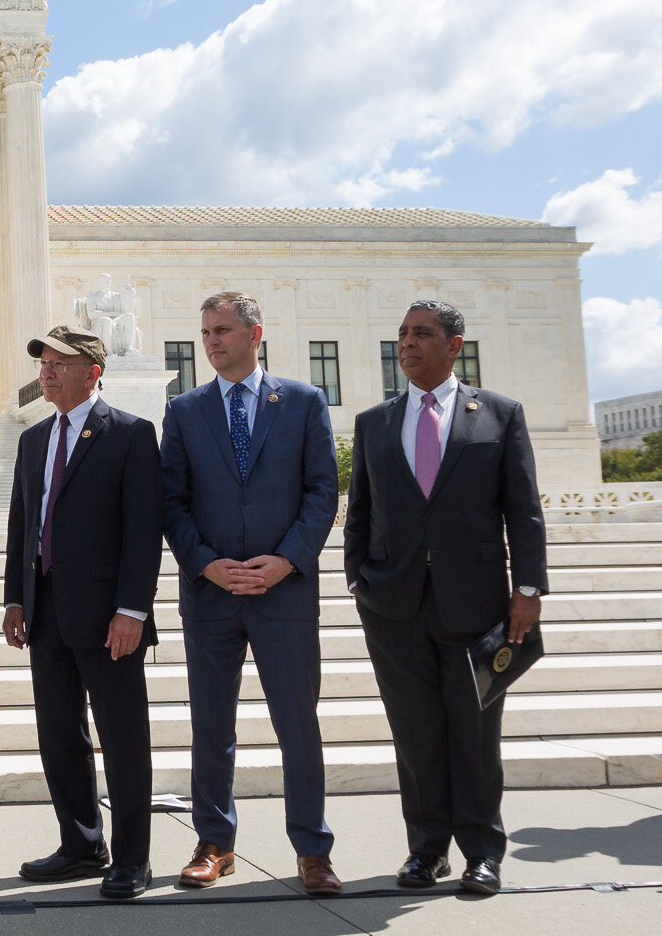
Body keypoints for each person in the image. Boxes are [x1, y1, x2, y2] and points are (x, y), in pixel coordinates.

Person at [345, 300, 545, 897]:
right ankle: (425, 849)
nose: (407, 343)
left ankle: (482, 851)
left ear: (455, 345)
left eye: (422, 334)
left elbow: (524, 511)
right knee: (415, 733)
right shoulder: (374, 422)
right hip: (394, 607)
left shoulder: (500, 415)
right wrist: (361, 578)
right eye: (402, 334)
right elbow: (360, 513)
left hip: (477, 605)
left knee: (476, 734)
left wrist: (528, 591)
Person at [159, 292, 343, 895]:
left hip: (283, 593)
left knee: (297, 724)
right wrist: (206, 565)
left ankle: (313, 852)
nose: (210, 341)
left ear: (255, 333)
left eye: (221, 330)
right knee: (211, 725)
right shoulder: (184, 411)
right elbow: (172, 503)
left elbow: (323, 490)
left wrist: (287, 561)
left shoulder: (303, 402)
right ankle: (215, 843)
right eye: (205, 331)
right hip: (212, 596)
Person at [4, 324, 165, 901]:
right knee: (60, 735)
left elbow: (144, 532)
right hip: (45, 611)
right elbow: (22, 525)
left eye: (59, 363)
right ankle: (80, 844)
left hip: (108, 618)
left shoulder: (130, 434)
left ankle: (132, 858)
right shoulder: (34, 440)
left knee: (123, 737)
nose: (46, 371)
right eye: (43, 362)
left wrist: (132, 609)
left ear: (92, 371)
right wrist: (15, 597)